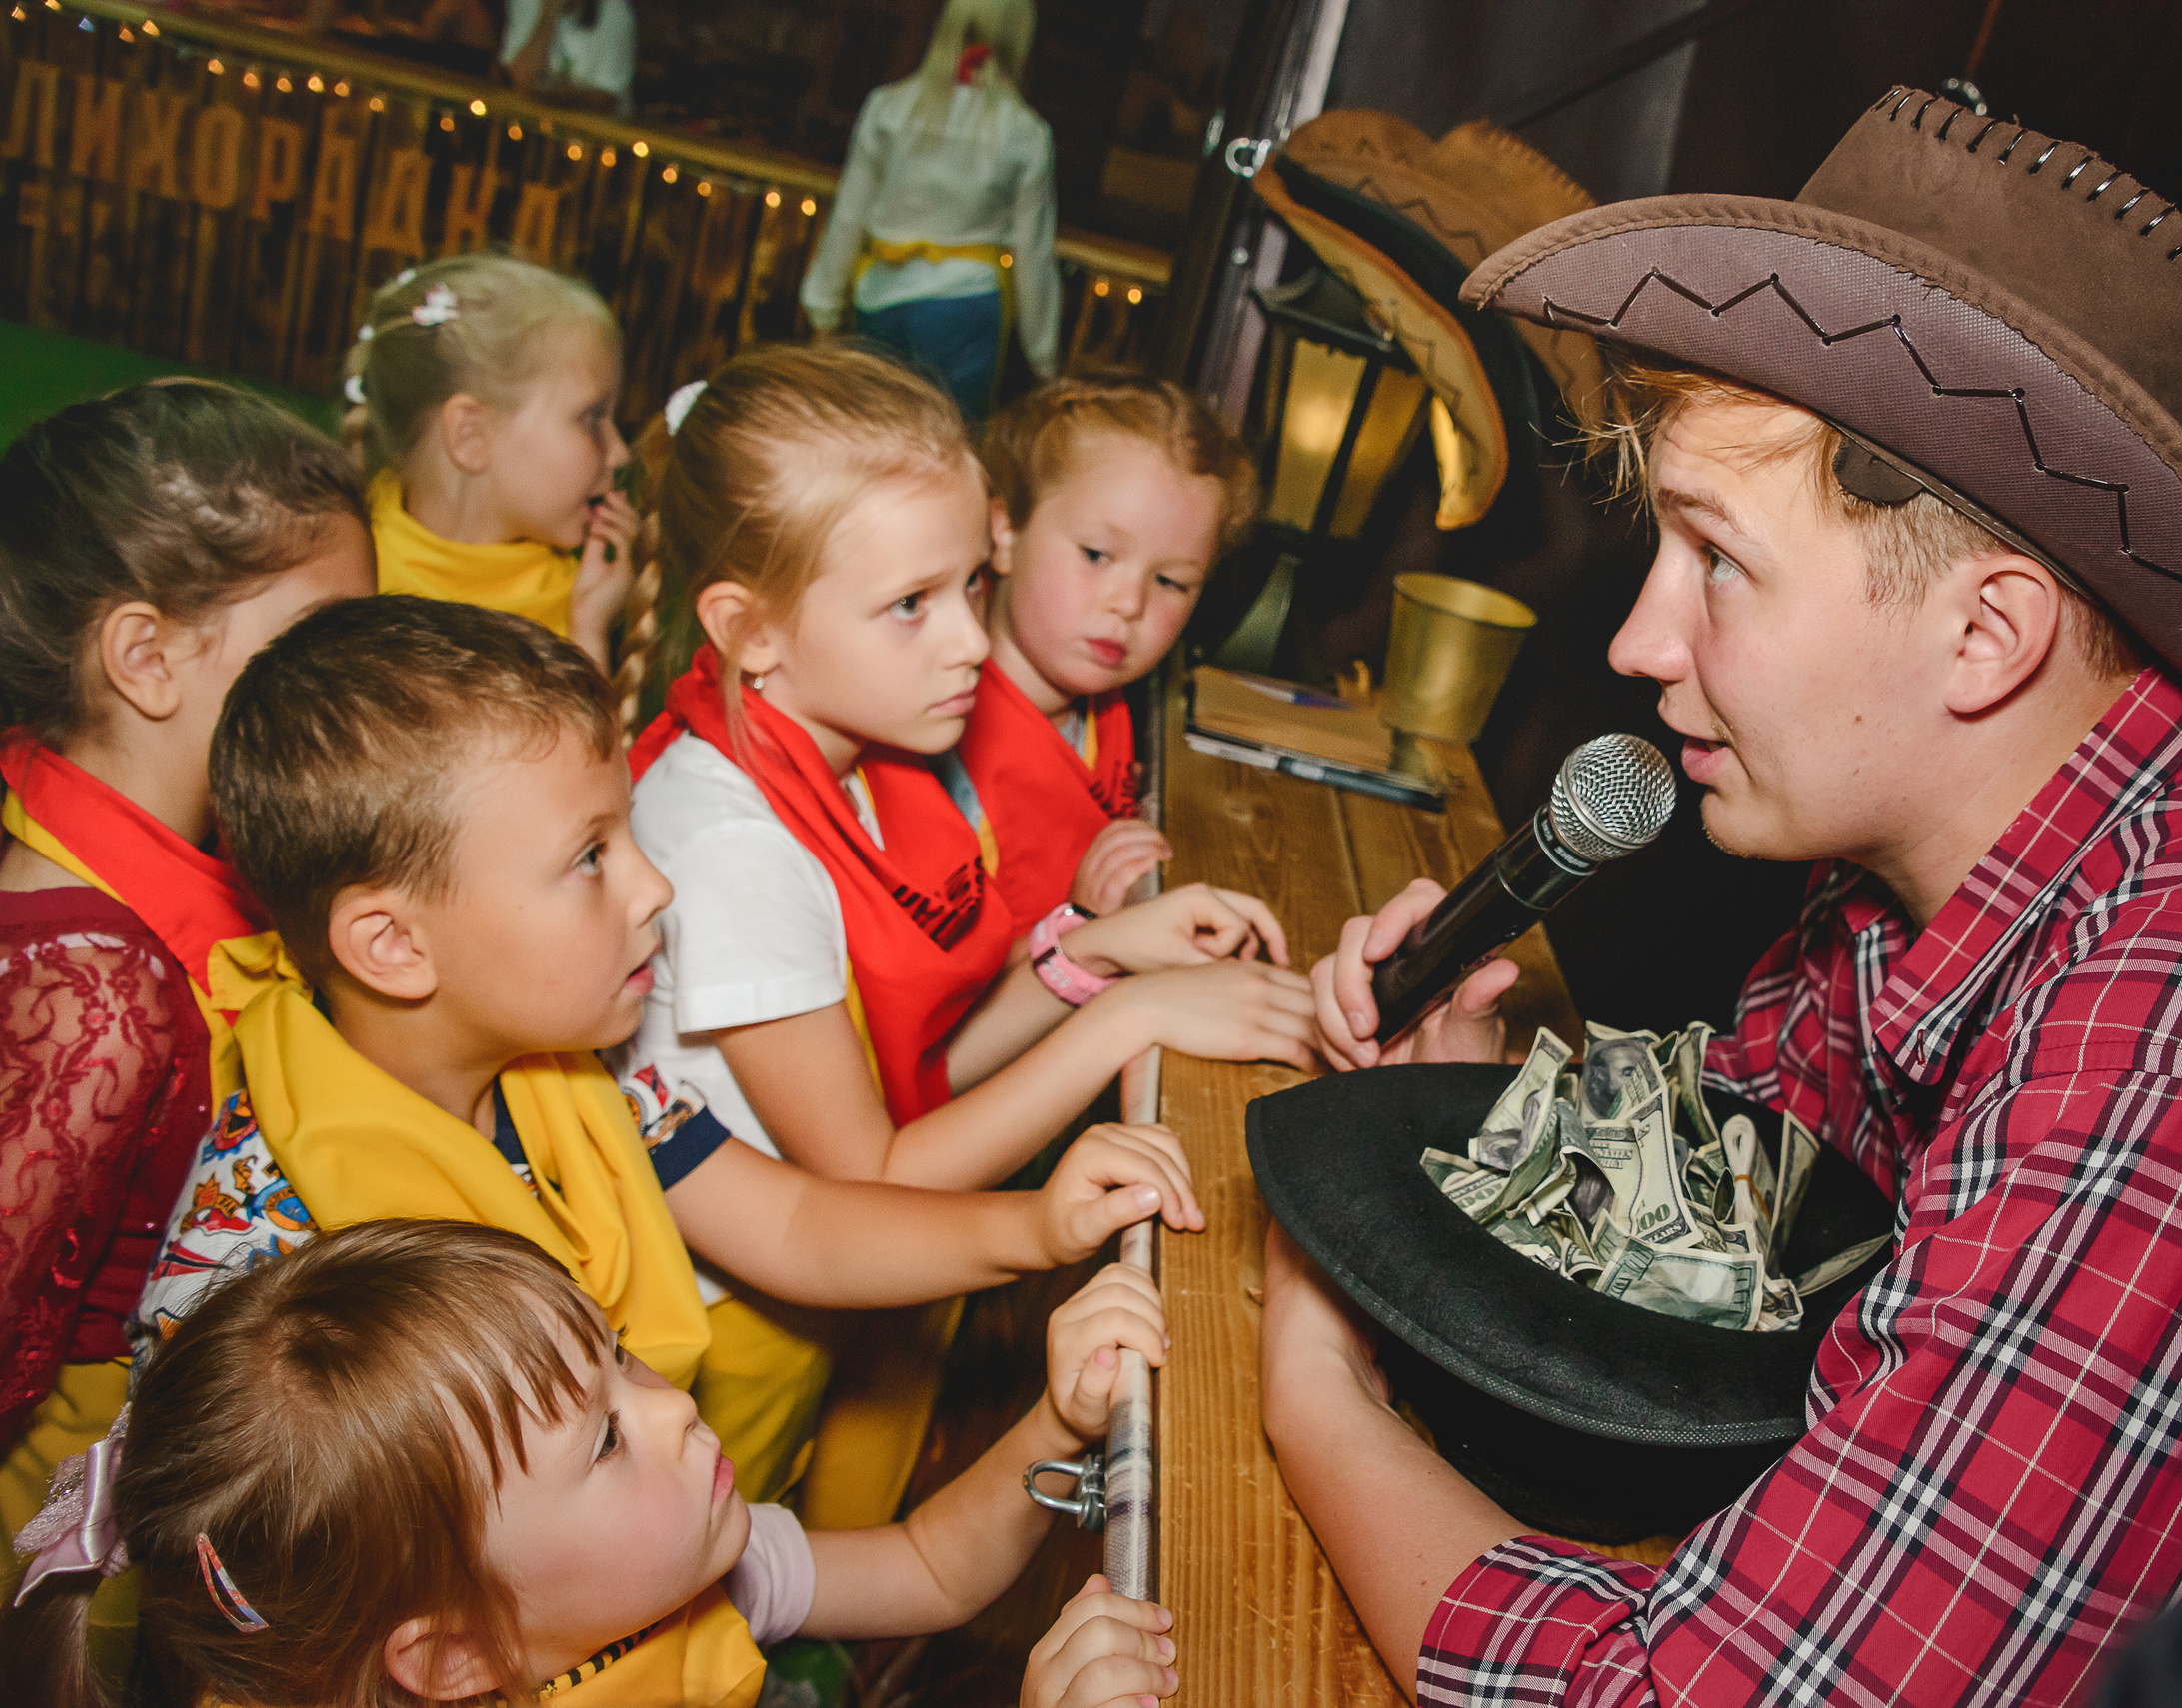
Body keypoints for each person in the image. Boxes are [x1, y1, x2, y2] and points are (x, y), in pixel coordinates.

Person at [1266, 91, 2182, 1705]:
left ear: (1984, 634)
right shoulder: (1949, 870)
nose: (1640, 641)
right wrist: (1504, 1082)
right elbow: (1753, 1207)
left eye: (1715, 559)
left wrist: (1318, 1372)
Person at [138, 594, 1198, 1507]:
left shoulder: (577, 1071)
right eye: (590, 856)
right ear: (392, 945)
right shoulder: (262, 1274)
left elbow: (793, 1223)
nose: (655, 888)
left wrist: (1038, 1221)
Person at [614, 344, 1314, 1195]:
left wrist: (1093, 953)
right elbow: (869, 1186)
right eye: (912, 603)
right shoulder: (732, 848)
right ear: (751, 630)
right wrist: (1135, 1011)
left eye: (971, 585)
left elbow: (922, 1065)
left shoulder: (863, 765)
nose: (975, 644)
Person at [4, 1220, 1183, 1708]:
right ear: (458, 1651)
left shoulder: (665, 1565)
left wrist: (1053, 1421)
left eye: (618, 1357)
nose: (671, 1406)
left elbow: (925, 1566)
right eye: (606, 1437)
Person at [0, 382, 375, 1537]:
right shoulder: (98, 991)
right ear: (147, 658)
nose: (349, 690)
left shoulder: (189, 884)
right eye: (313, 647)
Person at [919, 373, 1257, 926]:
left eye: (1171, 581)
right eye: (1097, 554)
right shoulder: (935, 747)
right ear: (1004, 532)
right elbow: (936, 999)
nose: (1129, 603)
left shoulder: (1111, 704)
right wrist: (1077, 920)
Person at [341, 255, 638, 672]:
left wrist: (588, 628)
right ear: (471, 435)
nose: (620, 452)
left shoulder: (580, 598)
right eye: (590, 417)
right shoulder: (340, 574)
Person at [800, 0, 1060, 419]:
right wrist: (1044, 359)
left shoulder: (888, 108)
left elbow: (848, 214)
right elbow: (1032, 251)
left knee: (872, 436)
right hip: (965, 305)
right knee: (949, 447)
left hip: (880, 296)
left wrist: (823, 310)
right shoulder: (1024, 133)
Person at [502, 0, 637, 117]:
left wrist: (555, 93)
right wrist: (548, 15)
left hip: (594, 131)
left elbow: (604, 100)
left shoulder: (616, 13)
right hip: (533, 125)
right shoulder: (526, 3)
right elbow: (520, 78)